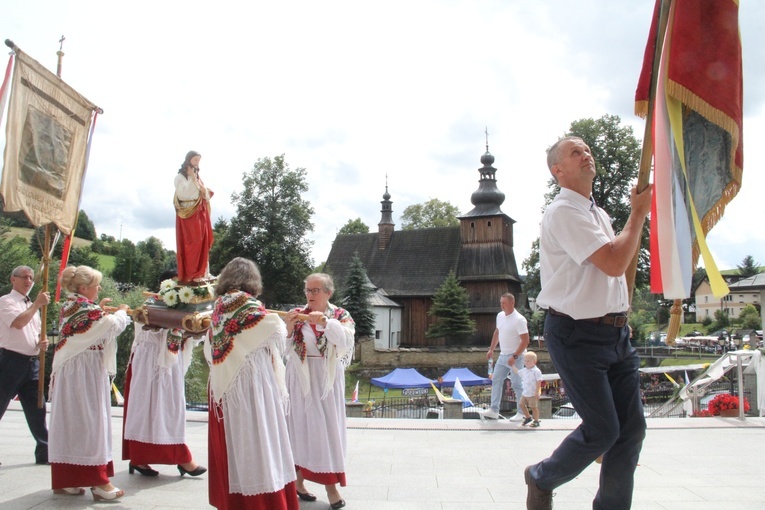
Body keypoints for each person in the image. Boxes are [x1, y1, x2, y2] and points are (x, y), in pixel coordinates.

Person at [526, 136, 652, 510]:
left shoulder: (597, 214)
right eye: (575, 151)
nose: (586, 154)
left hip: (615, 333)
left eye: (587, 150)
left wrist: (622, 313)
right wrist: (639, 213)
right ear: (558, 171)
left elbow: (617, 269)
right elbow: (614, 261)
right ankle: (541, 477)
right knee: (603, 430)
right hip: (576, 334)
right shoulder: (563, 211)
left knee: (630, 432)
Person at [205, 257, 298, 510]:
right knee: (258, 443)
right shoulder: (247, 304)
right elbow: (275, 332)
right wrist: (285, 323)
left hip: (224, 385)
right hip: (250, 385)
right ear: (252, 281)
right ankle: (262, 503)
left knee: (236, 446)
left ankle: (234, 502)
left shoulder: (219, 306)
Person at [49, 265, 130, 500]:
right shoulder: (85, 308)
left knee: (72, 423)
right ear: (84, 288)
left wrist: (101, 310)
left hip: (72, 370)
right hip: (83, 372)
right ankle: (98, 481)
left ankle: (66, 481)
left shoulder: (72, 305)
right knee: (90, 422)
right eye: (96, 285)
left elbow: (92, 327)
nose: (99, 288)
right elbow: (111, 326)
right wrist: (122, 311)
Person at [283, 273, 355, 510]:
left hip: (326, 378)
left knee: (326, 430)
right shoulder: (297, 313)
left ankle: (330, 487)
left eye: (315, 291)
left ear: (328, 293)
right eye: (307, 290)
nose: (310, 295)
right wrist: (288, 328)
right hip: (299, 377)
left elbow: (345, 343)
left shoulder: (340, 315)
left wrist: (325, 322)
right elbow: (281, 349)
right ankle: (297, 482)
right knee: (298, 428)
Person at [122, 324, 206, 478]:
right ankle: (140, 457)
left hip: (168, 354)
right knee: (145, 408)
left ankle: (177, 457)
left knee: (169, 410)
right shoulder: (151, 305)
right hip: (150, 355)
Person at [0, 265, 50, 465]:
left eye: (31, 278)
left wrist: (41, 342)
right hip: (10, 360)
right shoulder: (6, 301)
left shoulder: (31, 305)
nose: (28, 281)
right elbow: (18, 323)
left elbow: (33, 331)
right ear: (13, 279)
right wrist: (36, 305)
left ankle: (45, 451)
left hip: (31, 363)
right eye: (24, 277)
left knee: (38, 407)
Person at [482, 293, 529, 420]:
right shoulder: (500, 316)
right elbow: (497, 332)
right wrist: (491, 349)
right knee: (496, 379)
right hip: (503, 355)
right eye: (500, 302)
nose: (501, 305)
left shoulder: (519, 319)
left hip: (516, 357)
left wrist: (514, 356)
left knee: (517, 384)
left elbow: (525, 340)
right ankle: (494, 410)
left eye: (504, 303)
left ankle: (522, 412)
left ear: (512, 303)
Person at [174, 150, 214, 283]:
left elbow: (204, 193)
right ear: (188, 160)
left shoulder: (197, 177)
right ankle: (190, 274)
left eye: (198, 161)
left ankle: (201, 272)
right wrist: (192, 177)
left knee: (200, 241)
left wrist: (201, 186)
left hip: (199, 214)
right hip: (187, 214)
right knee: (190, 244)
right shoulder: (180, 177)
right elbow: (184, 193)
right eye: (195, 160)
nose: (197, 163)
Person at [511, 351, 543, 427]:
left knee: (533, 407)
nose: (526, 362)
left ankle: (536, 420)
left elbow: (539, 381)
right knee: (521, 404)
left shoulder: (536, 371)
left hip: (532, 393)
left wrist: (537, 391)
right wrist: (512, 366)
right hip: (525, 392)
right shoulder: (524, 370)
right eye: (525, 360)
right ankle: (528, 417)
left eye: (528, 361)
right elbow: (518, 372)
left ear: (534, 362)